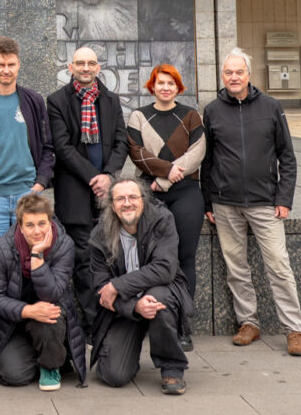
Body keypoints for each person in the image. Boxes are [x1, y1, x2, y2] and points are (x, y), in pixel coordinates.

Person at [201, 47, 301, 356]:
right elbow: (207, 161)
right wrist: (208, 202)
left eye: (239, 72)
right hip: (225, 204)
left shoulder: (271, 107)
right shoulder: (212, 110)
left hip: (265, 202)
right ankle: (248, 323)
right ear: (223, 76)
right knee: (236, 268)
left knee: (279, 266)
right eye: (228, 72)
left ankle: (294, 329)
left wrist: (284, 197)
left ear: (249, 74)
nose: (233, 77)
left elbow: (287, 156)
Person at [46, 46, 128, 337]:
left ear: (98, 67)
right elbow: (62, 147)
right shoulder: (57, 101)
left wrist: (108, 176)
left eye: (91, 63)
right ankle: (94, 324)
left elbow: (121, 141)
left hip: (108, 193)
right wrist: (95, 178)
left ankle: (115, 318)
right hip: (75, 192)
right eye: (80, 63)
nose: (85, 67)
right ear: (70, 67)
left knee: (111, 257)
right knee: (82, 260)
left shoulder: (111, 100)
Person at [127, 64, 205, 351]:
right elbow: (137, 153)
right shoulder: (139, 116)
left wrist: (165, 178)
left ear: (178, 87)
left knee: (185, 257)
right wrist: (164, 173)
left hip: (185, 192)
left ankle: (183, 325)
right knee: (149, 257)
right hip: (149, 194)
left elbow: (197, 153)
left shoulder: (191, 115)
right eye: (160, 82)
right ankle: (150, 321)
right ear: (152, 86)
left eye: (171, 83)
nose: (165, 88)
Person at [89, 177, 192, 395]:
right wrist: (135, 307)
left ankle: (172, 368)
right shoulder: (100, 234)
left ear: (143, 201)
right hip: (125, 305)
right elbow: (101, 289)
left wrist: (118, 285)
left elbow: (164, 268)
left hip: (162, 290)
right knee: (113, 375)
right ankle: (130, 349)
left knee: (158, 300)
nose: (127, 203)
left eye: (132, 197)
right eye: (120, 199)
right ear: (112, 205)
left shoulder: (161, 219)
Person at [0, 193, 86, 390]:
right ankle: (48, 354)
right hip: (14, 322)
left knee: (49, 313)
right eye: (30, 225)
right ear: (20, 226)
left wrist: (37, 255)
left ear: (50, 222)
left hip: (49, 318)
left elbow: (52, 294)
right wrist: (27, 311)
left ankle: (51, 365)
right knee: (12, 375)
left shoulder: (63, 245)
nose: (37, 231)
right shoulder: (3, 247)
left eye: (42, 223)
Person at [0, 36, 55, 268]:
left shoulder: (34, 102)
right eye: (0, 64)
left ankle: (26, 295)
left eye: (11, 64)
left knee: (30, 257)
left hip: (27, 194)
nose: (6, 70)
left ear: (19, 65)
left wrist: (39, 184)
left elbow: (48, 146)